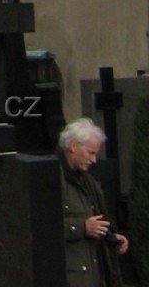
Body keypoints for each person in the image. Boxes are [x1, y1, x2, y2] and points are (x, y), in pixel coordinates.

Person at [60, 118, 127, 284]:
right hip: (71, 277)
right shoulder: (53, 179)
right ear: (73, 147)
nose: (94, 160)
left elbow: (96, 220)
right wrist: (82, 227)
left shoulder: (89, 182)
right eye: (91, 153)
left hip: (93, 274)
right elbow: (42, 226)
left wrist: (110, 236)